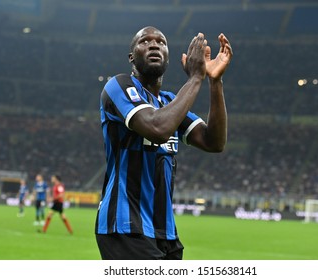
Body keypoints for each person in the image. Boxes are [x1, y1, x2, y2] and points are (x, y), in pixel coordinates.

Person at [95, 26, 233, 260]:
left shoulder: (170, 101)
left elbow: (214, 142)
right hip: (125, 225)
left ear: (168, 56)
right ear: (132, 57)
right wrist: (196, 77)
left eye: (161, 42)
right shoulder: (118, 87)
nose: (154, 44)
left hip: (164, 231)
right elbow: (157, 128)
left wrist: (214, 81)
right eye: (145, 41)